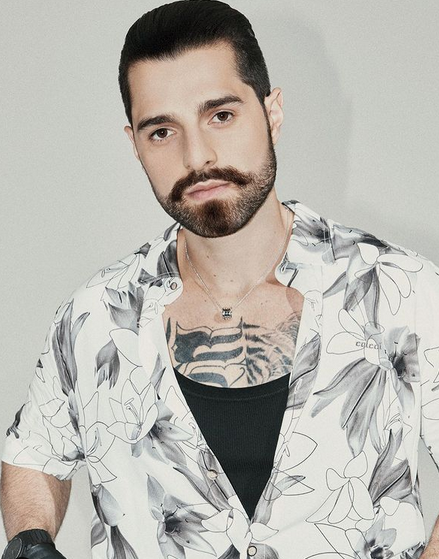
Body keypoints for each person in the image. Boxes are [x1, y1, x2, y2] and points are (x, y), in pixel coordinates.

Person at [1, 1, 438, 558]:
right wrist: (30, 539)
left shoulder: (400, 290)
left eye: (221, 116)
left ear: (272, 112)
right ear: (135, 143)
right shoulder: (95, 318)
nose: (198, 156)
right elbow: (34, 452)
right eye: (163, 131)